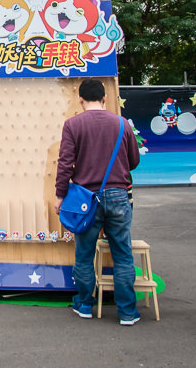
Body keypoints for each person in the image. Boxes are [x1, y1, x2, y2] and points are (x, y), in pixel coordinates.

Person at [55, 78, 142, 326]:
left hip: (85, 199)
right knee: (123, 255)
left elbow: (64, 164)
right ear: (105, 98)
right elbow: (133, 161)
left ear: (80, 99)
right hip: (118, 196)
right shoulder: (121, 123)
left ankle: (84, 305)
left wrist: (60, 195)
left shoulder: (73, 125)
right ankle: (127, 312)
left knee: (84, 254)